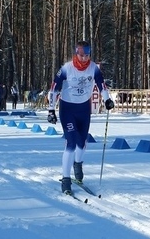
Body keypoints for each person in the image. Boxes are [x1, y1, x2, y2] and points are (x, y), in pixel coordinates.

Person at [47, 40, 114, 194]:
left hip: (84, 108)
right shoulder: (67, 68)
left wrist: (107, 99)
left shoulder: (93, 68)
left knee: (82, 142)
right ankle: (66, 179)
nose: (84, 58)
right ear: (76, 53)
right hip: (68, 108)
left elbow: (101, 84)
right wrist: (51, 110)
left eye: (87, 55)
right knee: (70, 142)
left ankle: (78, 164)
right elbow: (54, 88)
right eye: (81, 55)